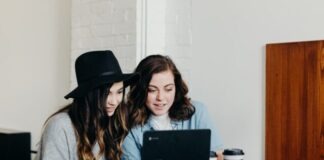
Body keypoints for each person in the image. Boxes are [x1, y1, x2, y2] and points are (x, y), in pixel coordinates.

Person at [35, 50, 138, 160]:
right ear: (90, 94)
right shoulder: (60, 126)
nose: (114, 101)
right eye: (107, 93)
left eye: (119, 92)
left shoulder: (112, 122)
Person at [122, 54, 223, 160]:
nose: (160, 97)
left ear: (176, 87)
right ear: (140, 91)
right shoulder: (129, 127)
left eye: (168, 89)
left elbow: (218, 155)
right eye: (152, 90)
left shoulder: (198, 112)